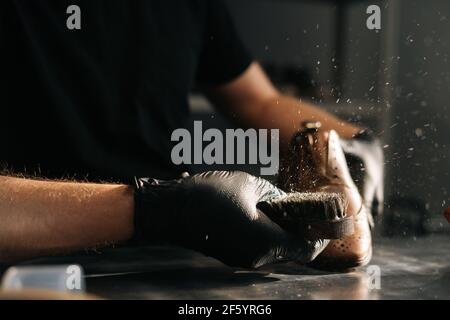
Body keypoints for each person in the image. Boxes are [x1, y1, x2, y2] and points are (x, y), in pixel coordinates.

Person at [0, 0, 383, 268]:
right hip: (29, 265)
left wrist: (355, 140)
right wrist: (154, 209)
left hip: (160, 261)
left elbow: (258, 100)